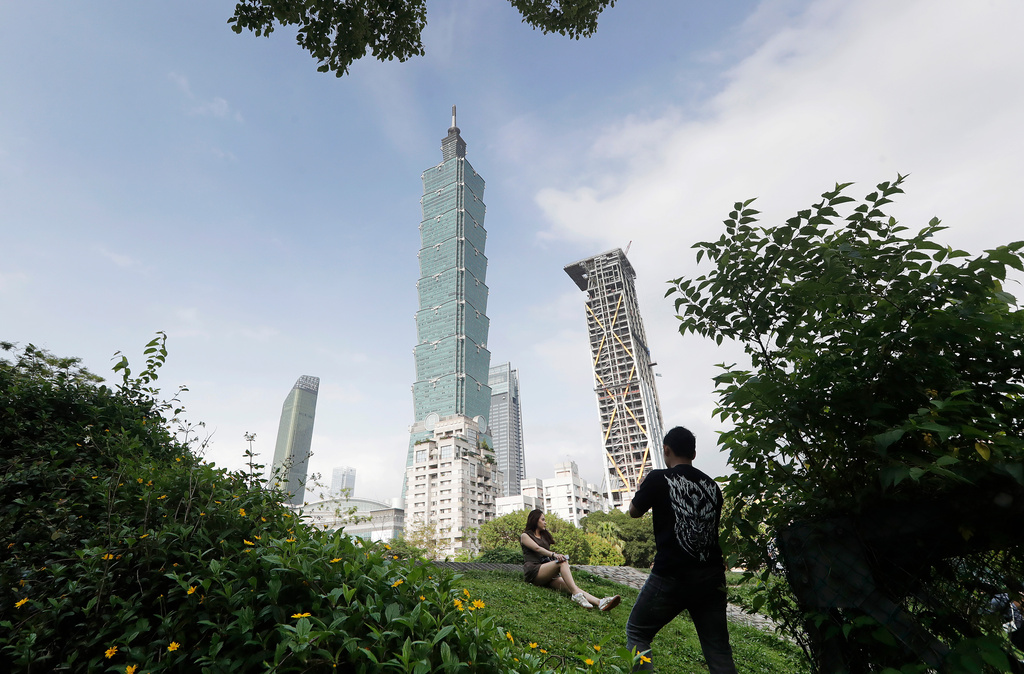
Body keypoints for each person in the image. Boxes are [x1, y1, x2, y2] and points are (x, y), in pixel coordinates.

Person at [625, 426, 737, 673]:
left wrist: (643, 487)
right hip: (711, 576)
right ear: (693, 454)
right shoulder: (712, 487)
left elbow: (633, 512)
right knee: (718, 650)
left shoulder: (658, 478)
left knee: (637, 631)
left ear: (666, 450)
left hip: (672, 574)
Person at [520, 509, 621, 611]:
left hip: (547, 573)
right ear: (535, 520)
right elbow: (537, 548)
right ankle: (577, 596)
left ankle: (600, 602)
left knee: (571, 586)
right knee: (562, 562)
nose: (545, 522)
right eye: (543, 519)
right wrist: (555, 555)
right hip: (534, 572)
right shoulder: (525, 536)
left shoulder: (544, 536)